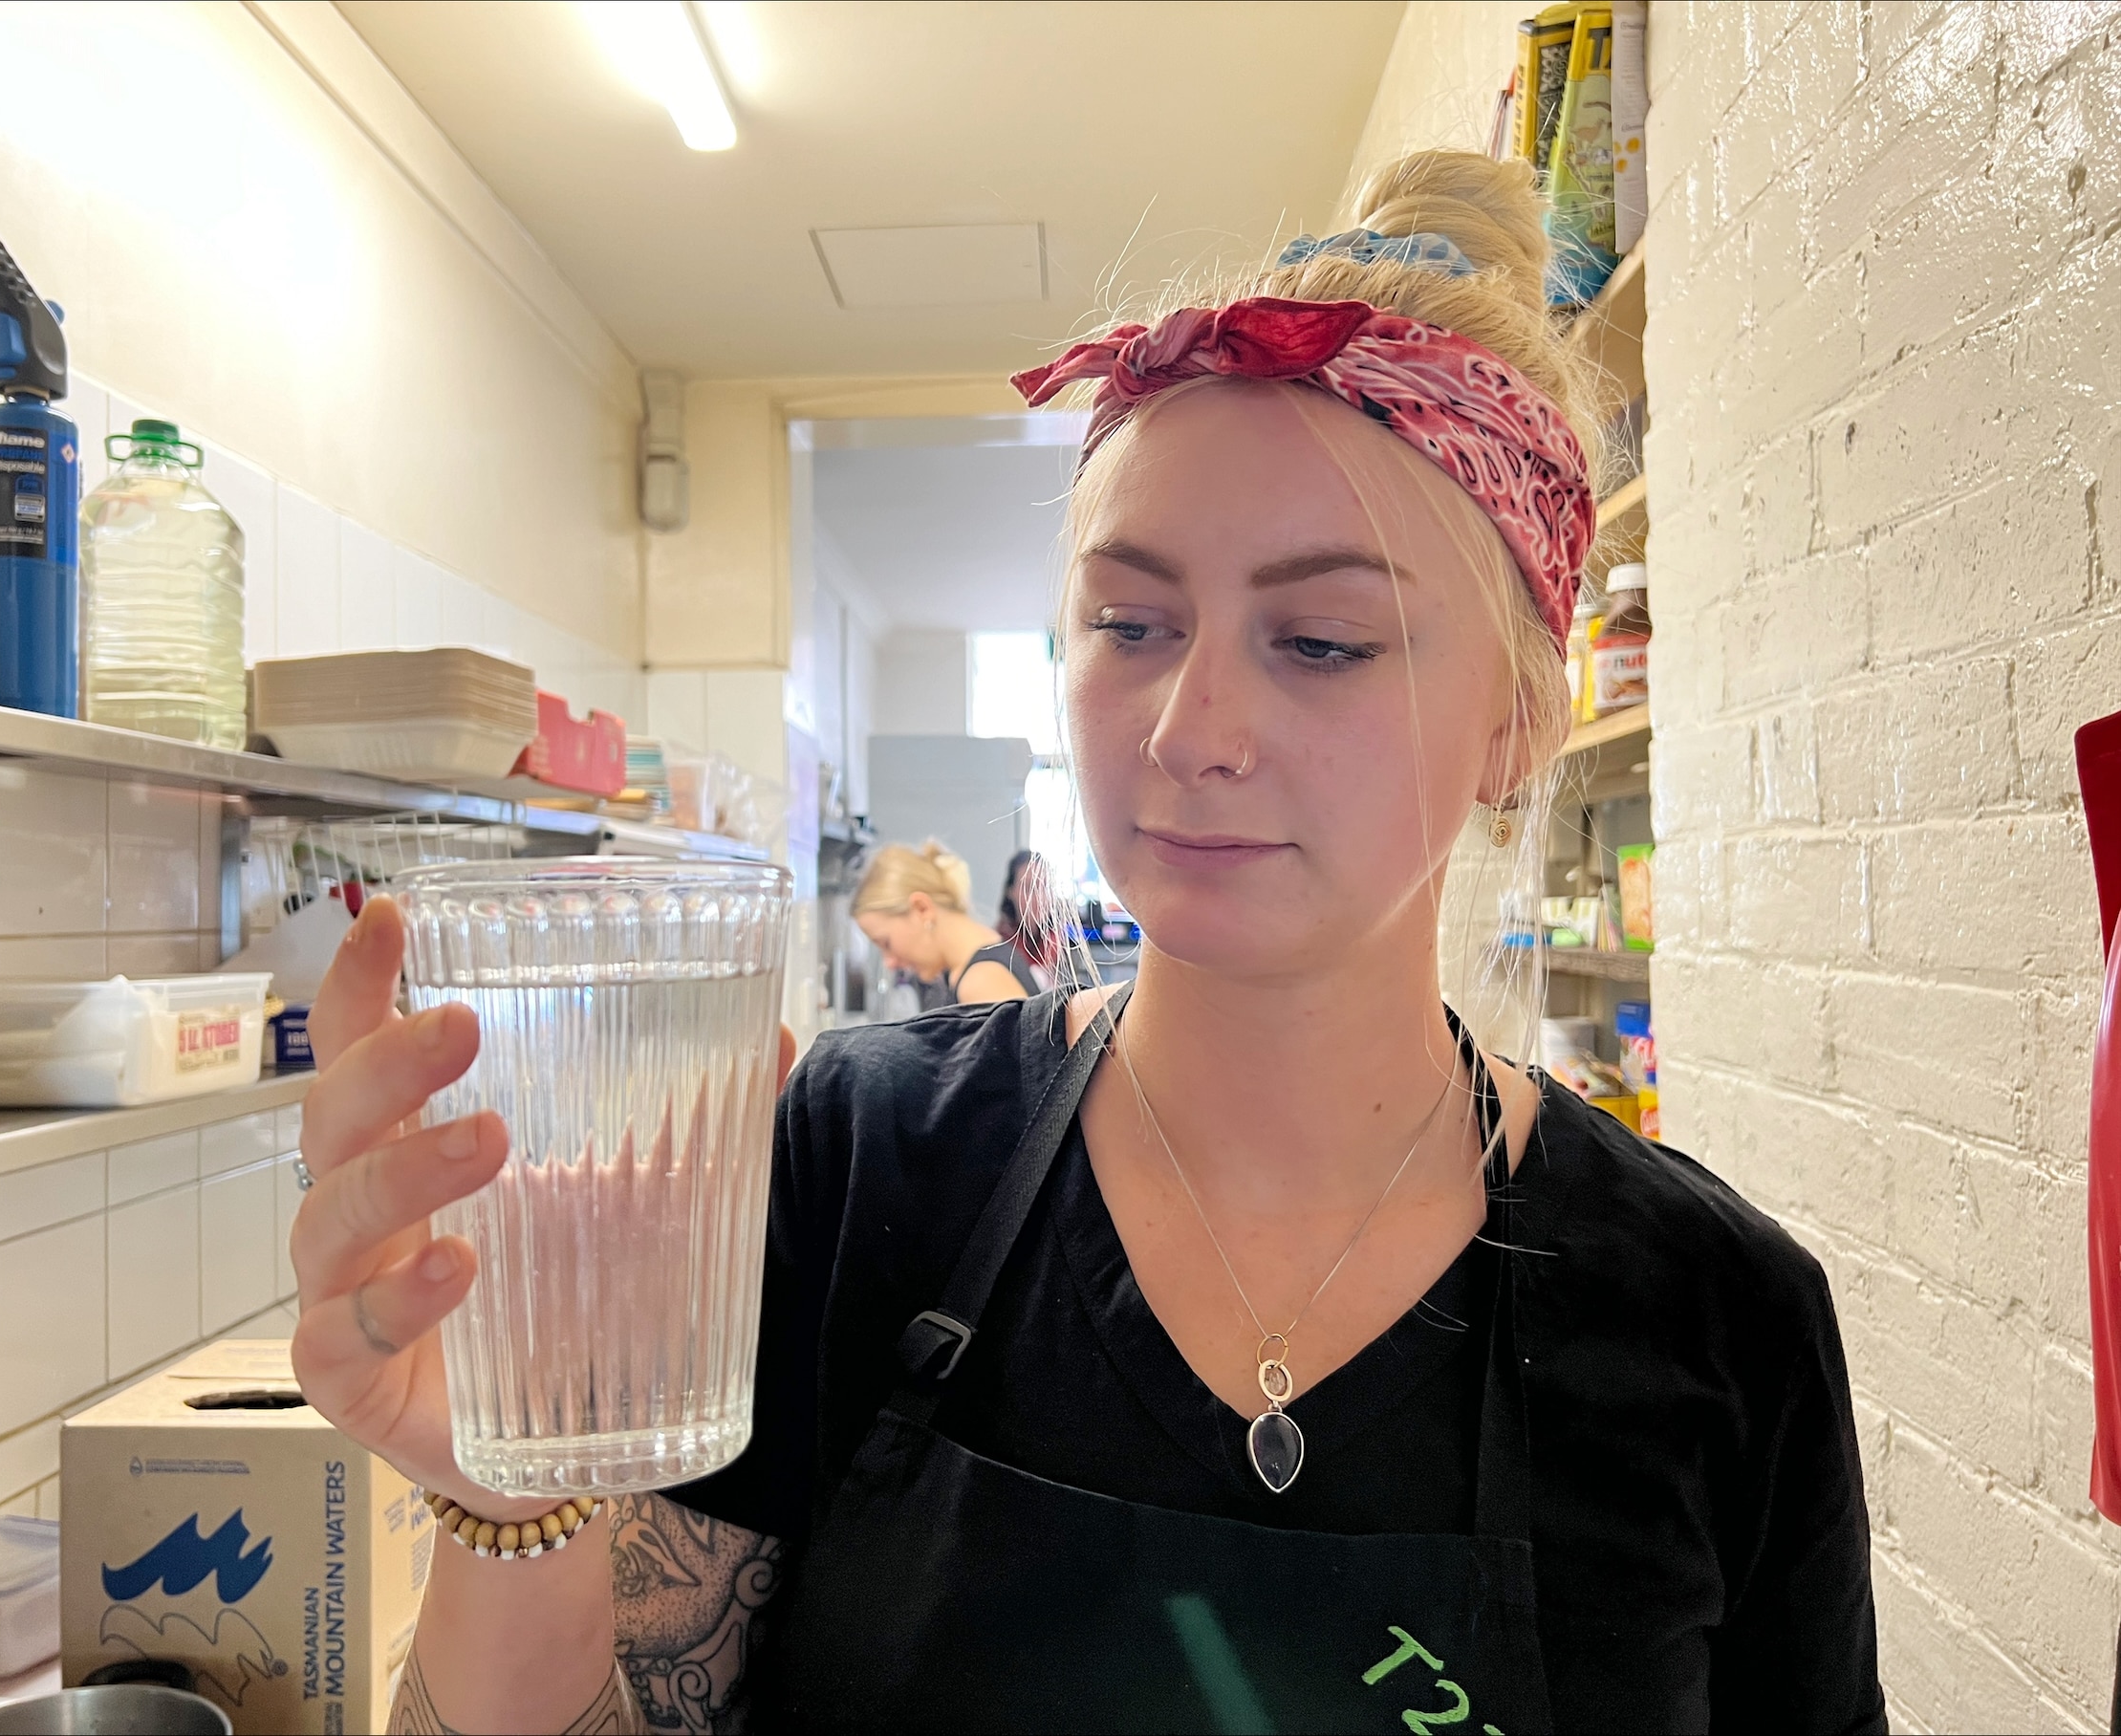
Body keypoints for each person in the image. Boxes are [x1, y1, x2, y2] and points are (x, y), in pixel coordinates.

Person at [291, 148, 1883, 1734]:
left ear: (1520, 722)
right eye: (1131, 624)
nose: (1191, 727)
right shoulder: (861, 1162)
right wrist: (513, 1489)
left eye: (1321, 642)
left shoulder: (1716, 1318)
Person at [848, 839, 1038, 1007]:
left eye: (886, 943)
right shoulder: (973, 967)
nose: (890, 963)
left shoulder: (982, 981)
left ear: (922, 909)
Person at [993, 848, 1062, 987]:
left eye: (1045, 887)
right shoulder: (998, 947)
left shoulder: (1063, 946)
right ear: (1010, 891)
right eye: (1030, 887)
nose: (1040, 898)